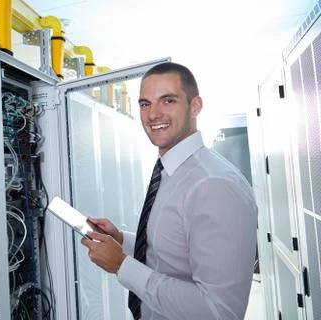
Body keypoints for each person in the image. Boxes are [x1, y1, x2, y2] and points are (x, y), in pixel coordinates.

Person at [81, 62, 258, 320]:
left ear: (195, 106)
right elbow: (168, 252)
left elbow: (219, 312)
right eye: (145, 104)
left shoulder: (214, 185)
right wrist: (120, 239)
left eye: (168, 101)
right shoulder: (170, 172)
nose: (153, 114)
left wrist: (122, 265)